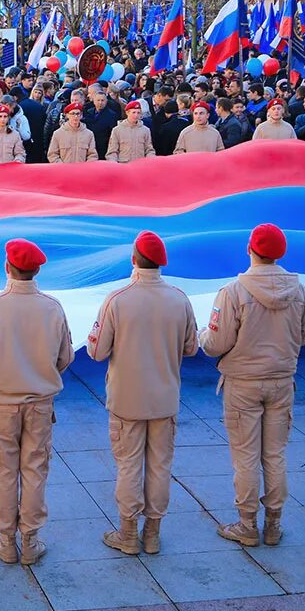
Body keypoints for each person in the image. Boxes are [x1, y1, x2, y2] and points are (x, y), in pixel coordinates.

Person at [198, 224, 305, 547]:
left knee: (246, 456)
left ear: (249, 250)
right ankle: (274, 523)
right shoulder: (299, 290)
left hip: (243, 383)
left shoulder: (233, 292)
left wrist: (203, 335)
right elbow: (302, 336)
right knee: (275, 454)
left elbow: (216, 343)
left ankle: (247, 523)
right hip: (282, 380)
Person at [90, 231, 198, 555]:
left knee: (128, 466)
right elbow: (191, 348)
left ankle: (127, 533)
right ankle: (152, 533)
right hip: (165, 398)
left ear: (134, 260)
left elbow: (96, 352)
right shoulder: (180, 298)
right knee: (160, 466)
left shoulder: (118, 299)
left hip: (126, 399)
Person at [0, 239, 73, 565]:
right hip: (40, 402)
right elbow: (64, 356)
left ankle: (6, 541)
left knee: (3, 470)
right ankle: (30, 541)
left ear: (7, 267)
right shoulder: (52, 307)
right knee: (35, 469)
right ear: (38, 270)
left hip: (2, 402)